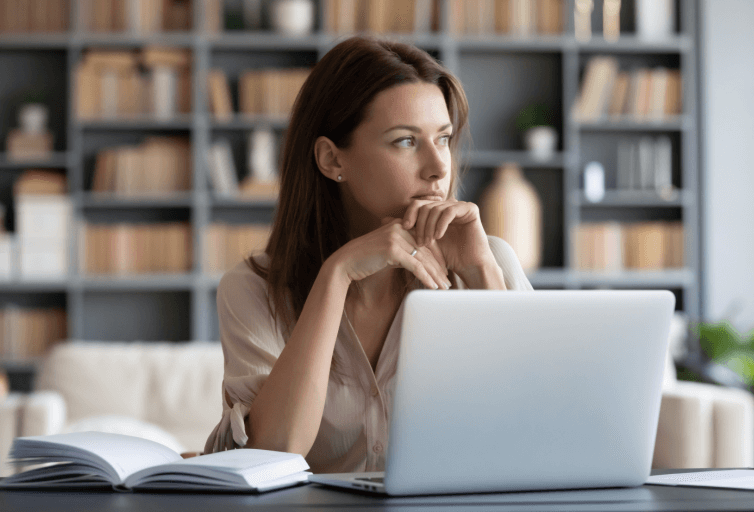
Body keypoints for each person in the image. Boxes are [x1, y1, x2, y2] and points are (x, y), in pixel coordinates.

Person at [204, 35, 534, 473]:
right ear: (331, 160)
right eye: (405, 141)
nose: (438, 167)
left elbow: (535, 426)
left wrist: (480, 273)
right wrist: (336, 275)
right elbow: (274, 451)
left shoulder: (488, 260)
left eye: (444, 138)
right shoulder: (252, 289)